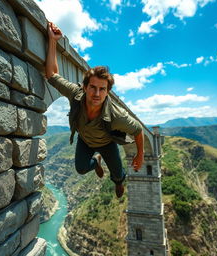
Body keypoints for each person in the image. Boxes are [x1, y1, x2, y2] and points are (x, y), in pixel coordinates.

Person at [46, 22, 144, 198]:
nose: (96, 93)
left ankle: (119, 182)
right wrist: (53, 41)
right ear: (84, 87)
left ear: (107, 92)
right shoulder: (75, 94)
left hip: (107, 143)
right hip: (85, 140)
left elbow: (138, 130)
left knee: (117, 174)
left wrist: (140, 155)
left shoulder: (116, 115)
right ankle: (96, 161)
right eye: (93, 87)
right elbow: (52, 75)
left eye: (102, 89)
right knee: (81, 168)